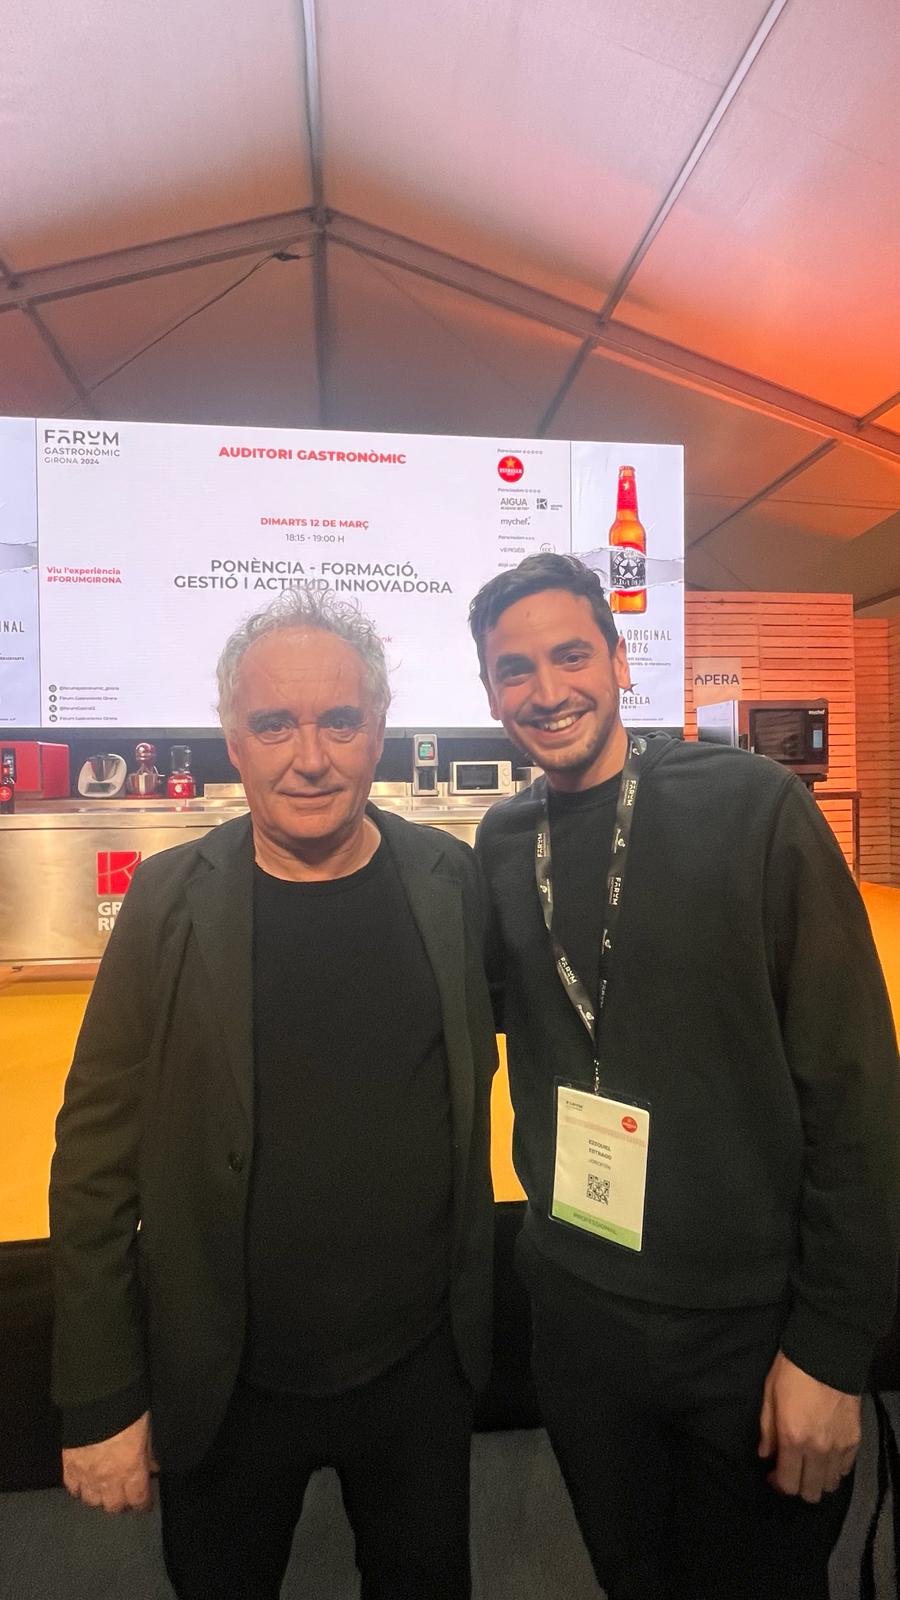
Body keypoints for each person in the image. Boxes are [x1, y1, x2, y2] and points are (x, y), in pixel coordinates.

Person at [50, 588, 497, 1600]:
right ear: (232, 740)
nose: (311, 755)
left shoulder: (448, 880)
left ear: (378, 726)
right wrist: (100, 1395)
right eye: (274, 723)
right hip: (227, 1381)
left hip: (420, 1368)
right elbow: (92, 1163)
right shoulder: (167, 902)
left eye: (339, 719)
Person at [469, 552, 899, 1600]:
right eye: (514, 669)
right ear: (489, 692)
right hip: (580, 1319)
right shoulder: (499, 839)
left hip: (748, 1330)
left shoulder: (753, 808)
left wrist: (833, 1352)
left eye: (572, 654)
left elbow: (856, 1086)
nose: (548, 689)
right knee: (634, 1578)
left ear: (620, 660)